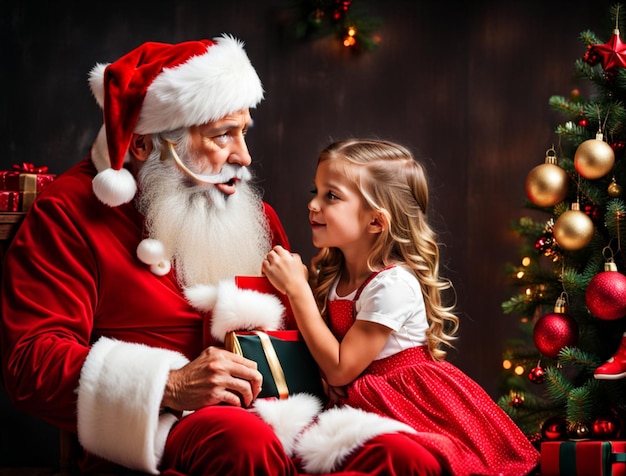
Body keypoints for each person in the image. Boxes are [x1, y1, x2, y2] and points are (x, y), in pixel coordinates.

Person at [0, 38, 443, 476]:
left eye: (243, 132)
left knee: (406, 457)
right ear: (142, 146)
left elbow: (304, 331)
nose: (244, 157)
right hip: (160, 427)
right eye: (221, 136)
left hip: (287, 411)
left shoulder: (255, 215)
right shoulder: (70, 213)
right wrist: (170, 384)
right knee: (246, 447)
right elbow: (29, 362)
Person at [262, 138, 541, 476]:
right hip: (358, 397)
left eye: (331, 196)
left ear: (376, 222)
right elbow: (332, 358)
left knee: (412, 458)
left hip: (408, 401)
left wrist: (297, 290)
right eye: (315, 192)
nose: (314, 206)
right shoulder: (334, 274)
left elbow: (340, 367)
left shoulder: (391, 284)